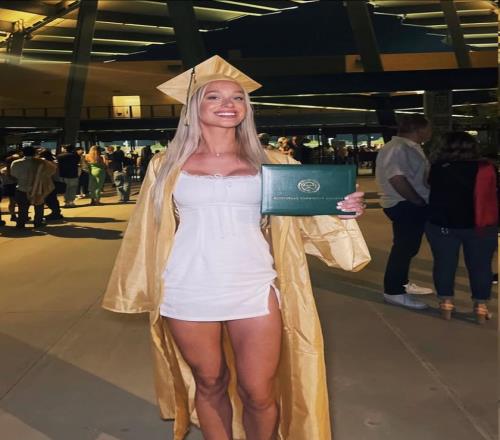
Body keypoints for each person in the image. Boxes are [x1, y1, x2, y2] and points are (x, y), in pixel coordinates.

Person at [102, 55, 370, 440]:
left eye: (237, 97)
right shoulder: (165, 165)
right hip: (188, 286)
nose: (228, 104)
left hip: (255, 285)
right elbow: (147, 229)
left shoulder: (275, 163)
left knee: (259, 391)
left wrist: (345, 208)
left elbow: (314, 218)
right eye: (214, 96)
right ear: (194, 108)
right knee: (210, 381)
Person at [426, 132, 498, 323]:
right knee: (481, 266)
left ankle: (446, 304)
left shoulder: (438, 167)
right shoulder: (487, 168)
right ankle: (481, 307)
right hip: (481, 224)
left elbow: (431, 187)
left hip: (443, 224)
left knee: (444, 264)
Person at [375, 114, 434, 310]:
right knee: (404, 247)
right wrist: (416, 200)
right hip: (404, 203)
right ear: (419, 129)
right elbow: (396, 178)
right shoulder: (398, 148)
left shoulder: (407, 147)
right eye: (428, 128)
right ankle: (393, 291)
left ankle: (402, 283)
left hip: (407, 203)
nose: (430, 132)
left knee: (408, 247)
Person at [10, 145, 55, 229]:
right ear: (35, 153)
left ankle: (21, 224)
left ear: (22, 153)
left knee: (22, 207)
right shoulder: (41, 162)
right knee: (39, 206)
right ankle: (38, 223)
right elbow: (52, 171)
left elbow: (13, 174)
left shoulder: (16, 163)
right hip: (38, 188)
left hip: (21, 187)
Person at [38, 148, 63, 221]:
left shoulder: (46, 163)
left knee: (49, 198)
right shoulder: (53, 162)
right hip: (55, 181)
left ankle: (55, 213)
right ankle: (56, 212)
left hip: (49, 182)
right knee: (53, 198)